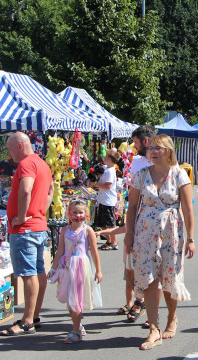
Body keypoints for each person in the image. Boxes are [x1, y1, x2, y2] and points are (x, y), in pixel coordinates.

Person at [125, 134, 195, 350]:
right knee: (147, 276)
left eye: (158, 148)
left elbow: (187, 208)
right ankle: (153, 328)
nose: (152, 152)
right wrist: (129, 234)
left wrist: (190, 239)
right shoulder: (140, 174)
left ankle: (172, 318)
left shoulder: (179, 175)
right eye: (150, 149)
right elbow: (133, 207)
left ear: (168, 151)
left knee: (169, 275)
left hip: (170, 231)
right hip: (144, 234)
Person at [1, 132, 53, 336]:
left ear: (21, 146)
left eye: (11, 149)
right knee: (38, 271)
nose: (9, 154)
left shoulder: (26, 165)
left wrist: (22, 216)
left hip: (25, 229)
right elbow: (50, 192)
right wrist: (39, 212)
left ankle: (27, 320)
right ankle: (34, 316)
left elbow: (25, 189)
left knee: (28, 273)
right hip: (38, 225)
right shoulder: (42, 163)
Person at [48, 199, 102, 343]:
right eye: (74, 212)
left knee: (76, 299)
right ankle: (77, 325)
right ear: (69, 214)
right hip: (66, 267)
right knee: (69, 298)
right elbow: (60, 250)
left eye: (81, 212)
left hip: (81, 267)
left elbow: (94, 252)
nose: (78, 216)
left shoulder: (88, 230)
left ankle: (76, 330)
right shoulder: (64, 230)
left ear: (86, 214)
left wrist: (98, 271)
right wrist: (53, 268)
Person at [120, 125, 156, 322]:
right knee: (139, 264)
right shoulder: (138, 162)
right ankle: (139, 301)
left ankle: (151, 311)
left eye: (135, 142)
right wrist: (129, 229)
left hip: (156, 221)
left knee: (155, 266)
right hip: (141, 218)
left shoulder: (159, 160)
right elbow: (133, 201)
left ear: (146, 141)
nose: (134, 146)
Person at [95, 149, 120, 249]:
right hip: (103, 199)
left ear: (109, 159)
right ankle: (109, 241)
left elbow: (108, 186)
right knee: (104, 223)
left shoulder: (110, 171)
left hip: (108, 200)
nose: (103, 158)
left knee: (110, 223)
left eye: (105, 157)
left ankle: (114, 243)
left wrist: (96, 184)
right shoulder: (106, 168)